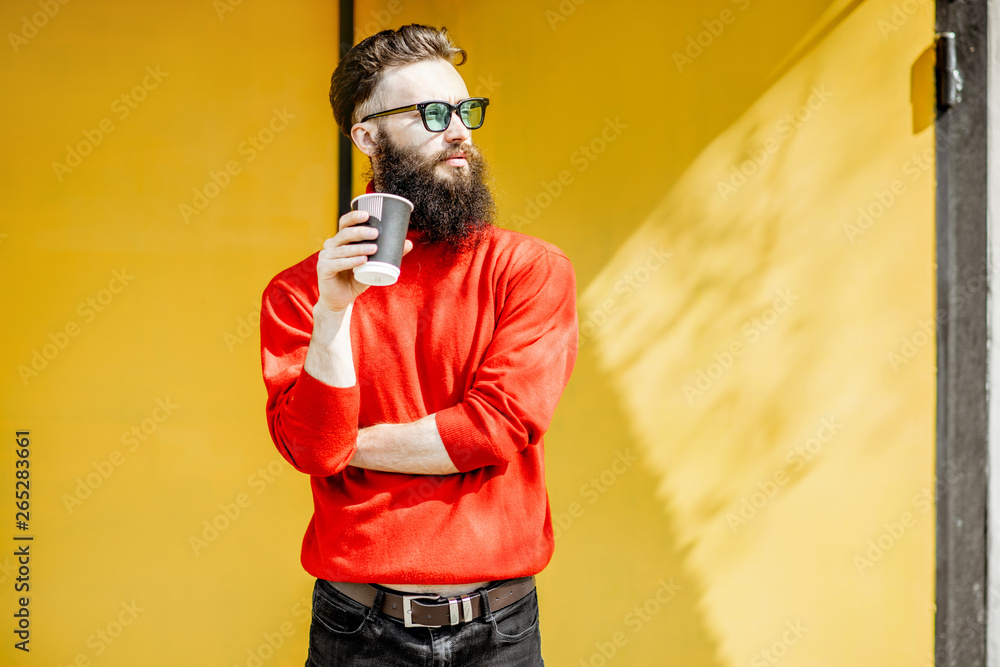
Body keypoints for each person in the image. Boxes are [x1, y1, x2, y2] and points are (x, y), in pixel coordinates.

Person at [259, 23, 578, 666]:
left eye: (465, 111)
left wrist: (353, 445)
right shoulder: (300, 293)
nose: (460, 130)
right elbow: (311, 446)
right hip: (357, 629)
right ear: (367, 135)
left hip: (501, 631)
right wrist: (335, 311)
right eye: (433, 113)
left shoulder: (529, 269)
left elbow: (495, 427)